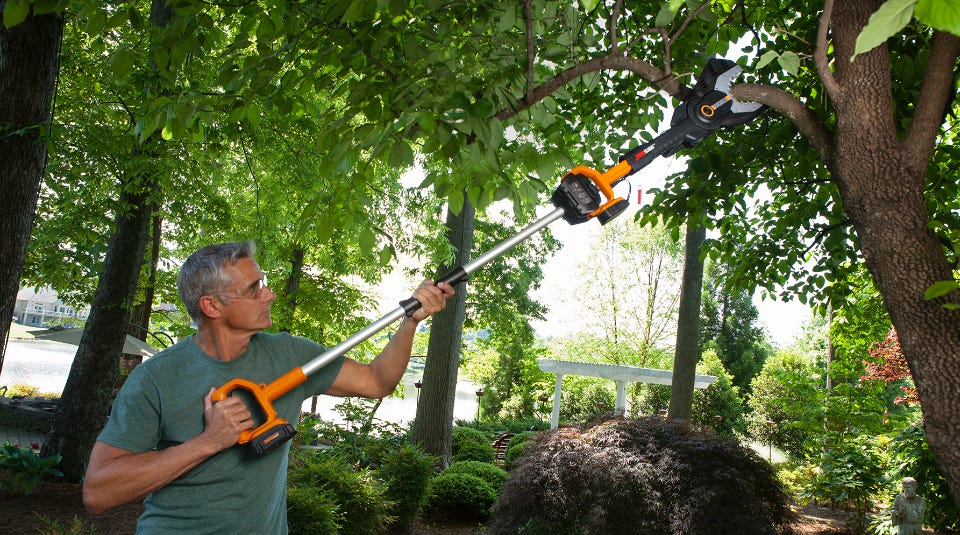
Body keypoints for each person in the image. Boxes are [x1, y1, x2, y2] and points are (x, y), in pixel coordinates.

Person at [81, 241, 454, 533]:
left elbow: (377, 381)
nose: (269, 294)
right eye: (254, 288)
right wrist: (208, 441)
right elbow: (98, 492)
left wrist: (410, 322)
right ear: (211, 305)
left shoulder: (291, 354)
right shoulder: (157, 378)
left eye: (265, 282)